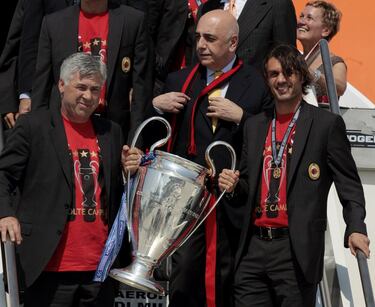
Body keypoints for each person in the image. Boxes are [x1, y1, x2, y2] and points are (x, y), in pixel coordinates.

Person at [218, 44, 370, 307]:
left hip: (295, 251)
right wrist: (233, 185)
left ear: (302, 76)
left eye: (288, 73)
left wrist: (355, 228)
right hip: (253, 248)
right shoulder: (255, 125)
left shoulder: (326, 125)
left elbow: (350, 186)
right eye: (274, 74)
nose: (281, 80)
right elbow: (246, 184)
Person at [148, 10, 272, 307]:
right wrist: (156, 105)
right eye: (198, 37)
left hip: (231, 199)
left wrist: (243, 117)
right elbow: (154, 135)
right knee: (185, 272)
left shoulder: (257, 84)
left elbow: (270, 138)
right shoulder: (179, 79)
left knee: (226, 275)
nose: (200, 44)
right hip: (186, 199)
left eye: (210, 38)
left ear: (232, 43)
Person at [0, 52, 132, 306]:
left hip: (100, 269)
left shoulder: (111, 131)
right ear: (61, 85)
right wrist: (5, 213)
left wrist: (129, 169)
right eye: (80, 87)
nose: (88, 96)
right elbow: (4, 174)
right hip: (47, 265)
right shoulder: (32, 126)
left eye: (95, 89)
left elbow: (115, 189)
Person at [31, 0, 151, 142]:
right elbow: (42, 86)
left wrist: (136, 142)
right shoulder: (53, 23)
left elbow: (141, 88)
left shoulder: (133, 21)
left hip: (112, 130)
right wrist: (37, 134)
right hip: (62, 128)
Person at [197, 0, 297, 70]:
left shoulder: (277, 4)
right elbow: (196, 61)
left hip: (255, 96)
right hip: (209, 94)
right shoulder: (205, 8)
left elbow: (286, 59)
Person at [297, 0, 346, 104]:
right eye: (301, 16)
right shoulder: (296, 59)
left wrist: (313, 74)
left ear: (325, 31)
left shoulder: (335, 62)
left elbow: (340, 88)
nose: (301, 22)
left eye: (309, 18)